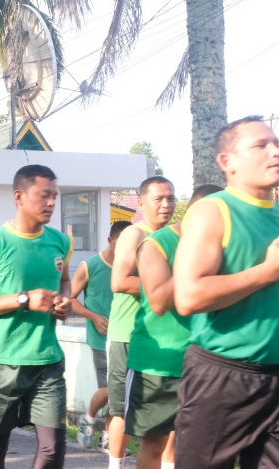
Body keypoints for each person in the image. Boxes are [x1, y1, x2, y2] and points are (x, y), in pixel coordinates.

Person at [173, 116, 279, 468]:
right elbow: (188, 297)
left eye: (276, 143)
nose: (274, 151)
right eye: (260, 145)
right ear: (227, 161)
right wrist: (266, 272)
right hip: (222, 378)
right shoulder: (213, 211)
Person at [0, 165, 73, 469]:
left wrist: (65, 300)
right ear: (19, 196)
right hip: (0, 360)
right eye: (43, 195)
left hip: (46, 359)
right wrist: (24, 299)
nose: (51, 202)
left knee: (53, 448)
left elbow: (65, 280)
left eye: (54, 196)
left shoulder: (61, 242)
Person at [125, 185, 221, 469]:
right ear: (197, 213)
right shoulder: (155, 244)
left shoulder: (219, 243)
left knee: (189, 447)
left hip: (205, 363)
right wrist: (194, 262)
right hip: (157, 365)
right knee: (154, 445)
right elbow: (159, 302)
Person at [106, 176, 176, 468]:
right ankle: (115, 464)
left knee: (171, 419)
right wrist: (164, 284)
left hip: (162, 339)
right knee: (122, 411)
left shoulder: (175, 236)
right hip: (127, 335)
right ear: (141, 202)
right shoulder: (134, 234)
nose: (166, 205)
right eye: (158, 199)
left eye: (170, 198)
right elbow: (119, 282)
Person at [72, 221, 132, 451]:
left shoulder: (134, 265)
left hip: (128, 338)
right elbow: (70, 299)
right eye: (122, 242)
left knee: (120, 393)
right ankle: (88, 418)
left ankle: (108, 436)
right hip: (101, 339)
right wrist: (94, 317)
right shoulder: (90, 266)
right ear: (110, 240)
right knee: (111, 389)